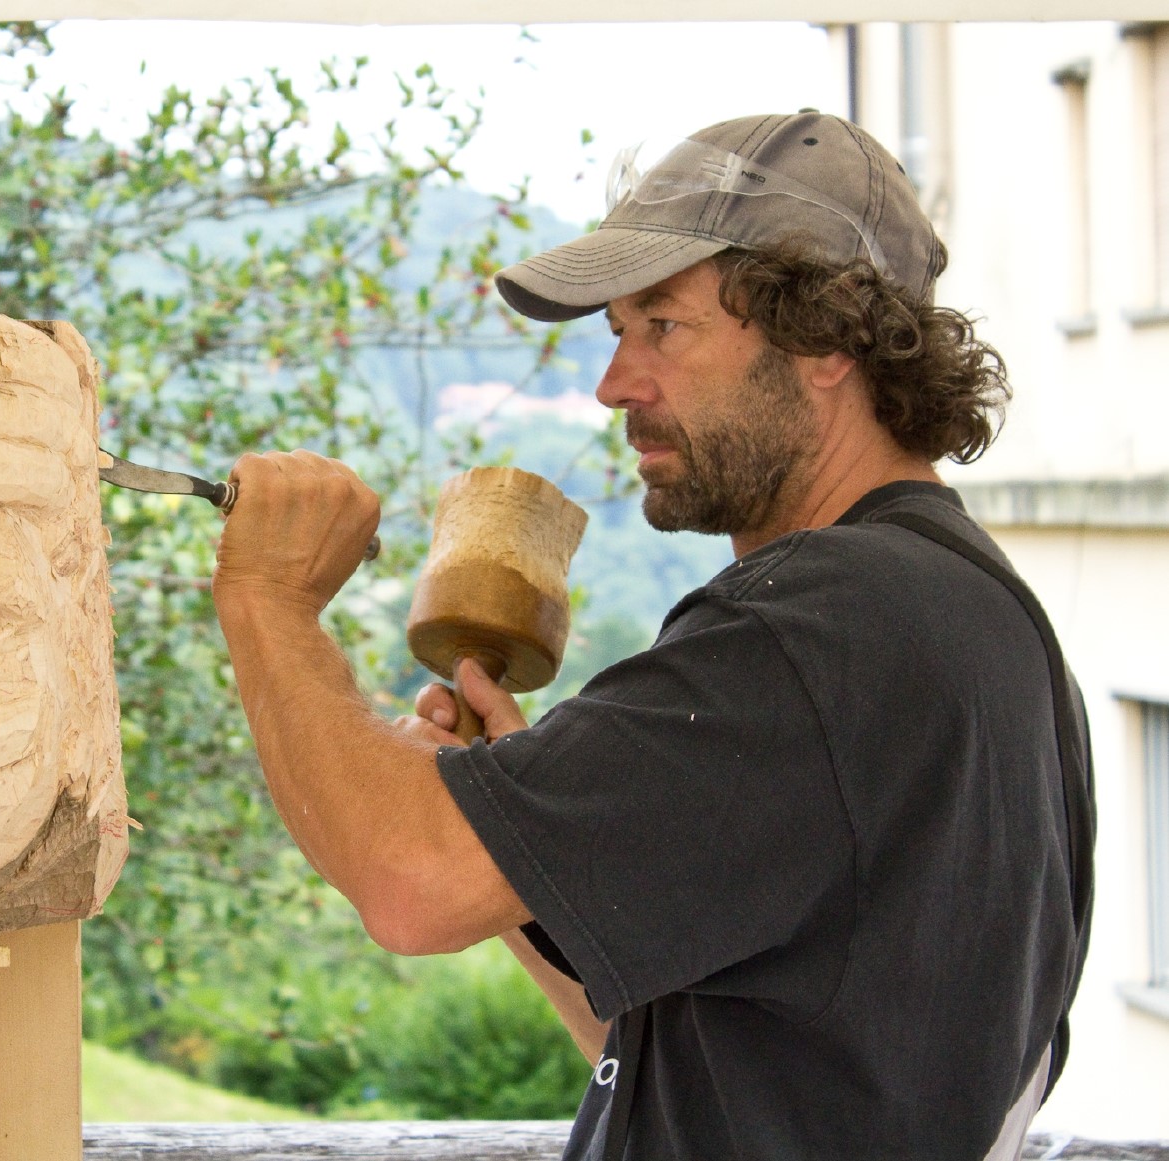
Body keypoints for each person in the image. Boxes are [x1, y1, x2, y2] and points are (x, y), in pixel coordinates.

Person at [210, 111, 1093, 1160]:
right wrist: (527, 844)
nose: (612, 383)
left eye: (661, 327)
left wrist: (266, 602)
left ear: (823, 341)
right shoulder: (980, 623)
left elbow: (407, 886)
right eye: (616, 332)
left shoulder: (819, 622)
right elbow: (697, 1065)